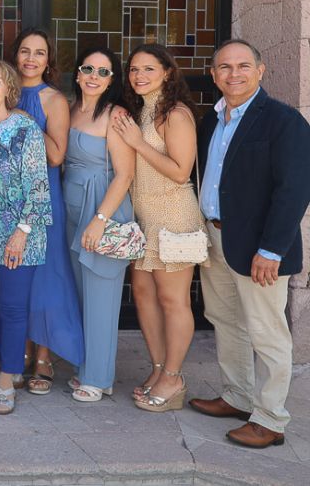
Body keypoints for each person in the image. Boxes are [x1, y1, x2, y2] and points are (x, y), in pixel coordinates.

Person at [190, 39, 310, 448]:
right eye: (225, 67)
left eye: (243, 66)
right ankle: (238, 396)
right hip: (215, 237)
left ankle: (271, 419)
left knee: (267, 331)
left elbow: (294, 190)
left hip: (260, 246)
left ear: (261, 71)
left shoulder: (283, 120)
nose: (234, 74)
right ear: (213, 75)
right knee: (225, 319)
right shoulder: (211, 120)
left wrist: (272, 249)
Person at [111, 43, 201, 413]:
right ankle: (159, 367)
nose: (139, 76)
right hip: (144, 219)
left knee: (172, 300)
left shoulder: (175, 114)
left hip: (174, 216)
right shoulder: (140, 111)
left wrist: (137, 142)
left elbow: (180, 172)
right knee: (143, 295)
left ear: (167, 72)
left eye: (148, 69)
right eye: (134, 69)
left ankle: (174, 378)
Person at [0, 58, 52, 416]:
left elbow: (38, 184)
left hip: (21, 231)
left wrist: (22, 232)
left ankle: (7, 380)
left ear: (8, 88)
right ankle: (11, 367)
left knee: (12, 306)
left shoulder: (25, 128)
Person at [9, 28, 83, 394]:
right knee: (16, 275)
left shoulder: (53, 99)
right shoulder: (3, 92)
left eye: (39, 52)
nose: (31, 59)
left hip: (42, 197)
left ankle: (43, 355)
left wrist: (23, 120)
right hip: (8, 197)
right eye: (25, 51)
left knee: (46, 275)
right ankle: (20, 352)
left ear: (48, 59)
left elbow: (55, 155)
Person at [63, 47, 136, 403]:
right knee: (82, 295)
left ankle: (99, 377)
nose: (94, 76)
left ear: (111, 80)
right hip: (72, 211)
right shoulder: (70, 108)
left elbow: (124, 174)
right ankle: (88, 367)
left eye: (103, 72)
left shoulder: (115, 114)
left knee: (102, 297)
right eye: (88, 69)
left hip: (103, 210)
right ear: (78, 74)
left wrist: (100, 221)